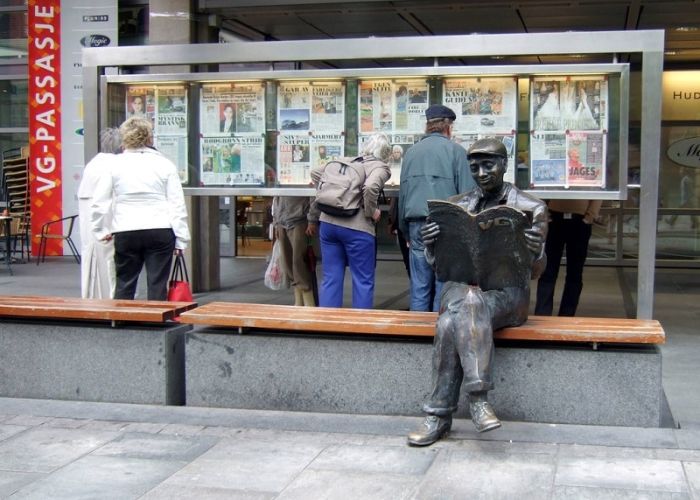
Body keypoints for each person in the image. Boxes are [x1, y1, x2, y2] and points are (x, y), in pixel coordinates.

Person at [407, 138, 547, 446]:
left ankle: (439, 415)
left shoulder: (531, 208)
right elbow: (439, 267)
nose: (481, 173)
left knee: (450, 321)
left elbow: (536, 272)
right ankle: (477, 400)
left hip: (507, 295)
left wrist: (536, 253)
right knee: (459, 309)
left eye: (488, 165)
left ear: (504, 165)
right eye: (474, 167)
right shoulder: (456, 205)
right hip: (462, 290)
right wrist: (432, 245)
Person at [91, 117, 190, 300]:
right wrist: (181, 239)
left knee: (125, 281)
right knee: (157, 282)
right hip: (160, 228)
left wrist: (100, 230)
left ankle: (121, 320)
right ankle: (156, 321)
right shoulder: (165, 165)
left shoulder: (114, 165)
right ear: (149, 138)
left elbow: (99, 201)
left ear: (124, 139)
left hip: (125, 228)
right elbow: (176, 204)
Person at [398, 104, 475, 312]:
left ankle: (417, 336)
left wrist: (404, 229)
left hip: (416, 225)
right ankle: (438, 333)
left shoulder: (411, 153)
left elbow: (403, 193)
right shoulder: (457, 152)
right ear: (448, 127)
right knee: (444, 285)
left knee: (419, 285)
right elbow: (468, 195)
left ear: (428, 126)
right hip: (447, 225)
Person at [307, 132, 391, 308]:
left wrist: (332, 195)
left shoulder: (348, 161)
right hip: (357, 228)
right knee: (363, 280)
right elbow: (370, 187)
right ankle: (359, 327)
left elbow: (315, 173)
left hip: (328, 224)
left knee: (331, 277)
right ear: (386, 152)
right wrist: (371, 211)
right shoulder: (380, 167)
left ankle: (328, 324)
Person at [535, 199, 602, 317]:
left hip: (580, 220)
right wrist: (544, 212)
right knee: (548, 271)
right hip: (554, 217)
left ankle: (567, 315)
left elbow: (598, 191)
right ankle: (542, 314)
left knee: (575, 273)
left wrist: (590, 216)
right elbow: (543, 186)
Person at [77, 127, 121, 299]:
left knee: (91, 256)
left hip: (89, 218)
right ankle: (109, 297)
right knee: (109, 260)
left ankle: (90, 296)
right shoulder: (114, 165)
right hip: (105, 217)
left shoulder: (93, 163)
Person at [273, 196, 316, 307]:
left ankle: (308, 302)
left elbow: (313, 195)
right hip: (282, 220)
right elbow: (276, 196)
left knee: (299, 262)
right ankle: (299, 301)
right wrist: (276, 222)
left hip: (300, 220)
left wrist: (312, 220)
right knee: (288, 262)